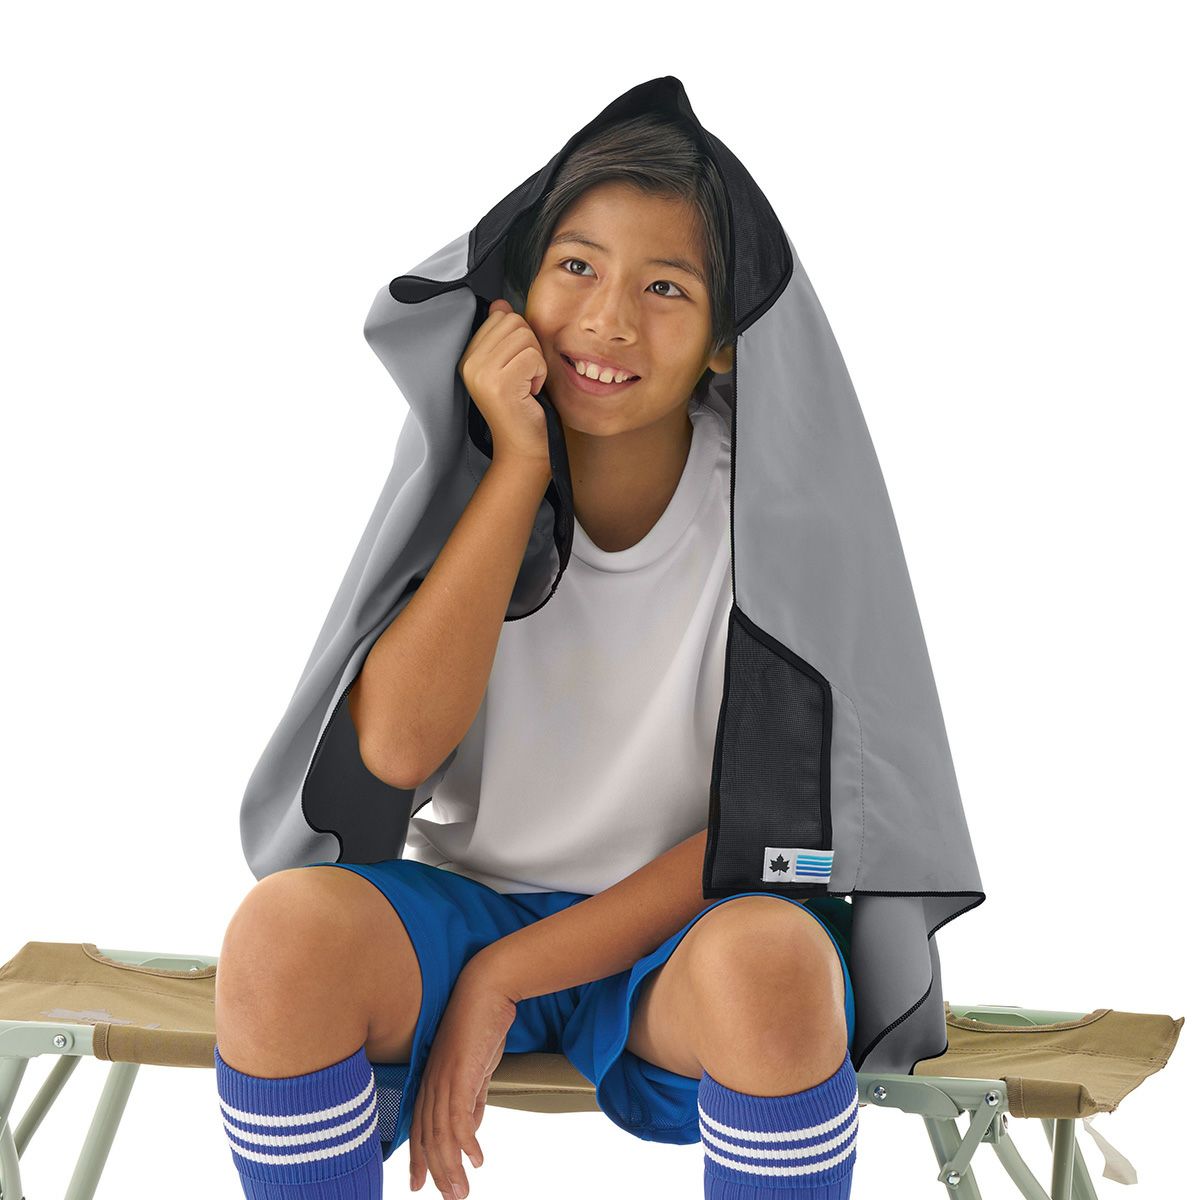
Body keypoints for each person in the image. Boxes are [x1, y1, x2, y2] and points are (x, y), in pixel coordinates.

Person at [213, 112, 858, 1200]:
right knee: (282, 935)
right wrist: (516, 469)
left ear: (725, 338)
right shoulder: (457, 473)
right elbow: (397, 753)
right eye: (576, 267)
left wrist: (508, 977)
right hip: (465, 909)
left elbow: (767, 836)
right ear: (516, 295)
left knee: (774, 961)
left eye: (666, 288)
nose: (608, 321)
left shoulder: (780, 514)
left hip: (688, 934)